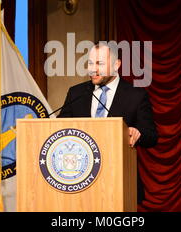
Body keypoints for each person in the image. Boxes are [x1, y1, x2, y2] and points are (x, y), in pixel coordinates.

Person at [58, 42, 158, 204]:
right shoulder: (76, 93)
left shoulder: (136, 95)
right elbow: (59, 129)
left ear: (116, 65)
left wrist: (137, 133)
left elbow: (152, 136)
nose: (93, 69)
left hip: (119, 181)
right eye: (90, 63)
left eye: (100, 64)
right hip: (79, 182)